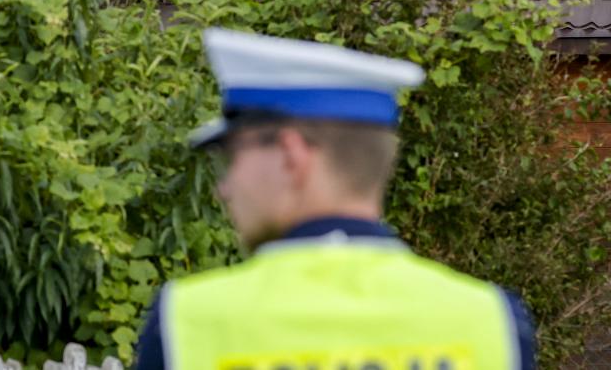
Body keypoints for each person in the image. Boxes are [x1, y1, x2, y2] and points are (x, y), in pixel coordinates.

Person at [134, 29, 537, 370]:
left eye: (232, 157)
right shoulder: (491, 319)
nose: (225, 187)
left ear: (292, 155)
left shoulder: (188, 320)